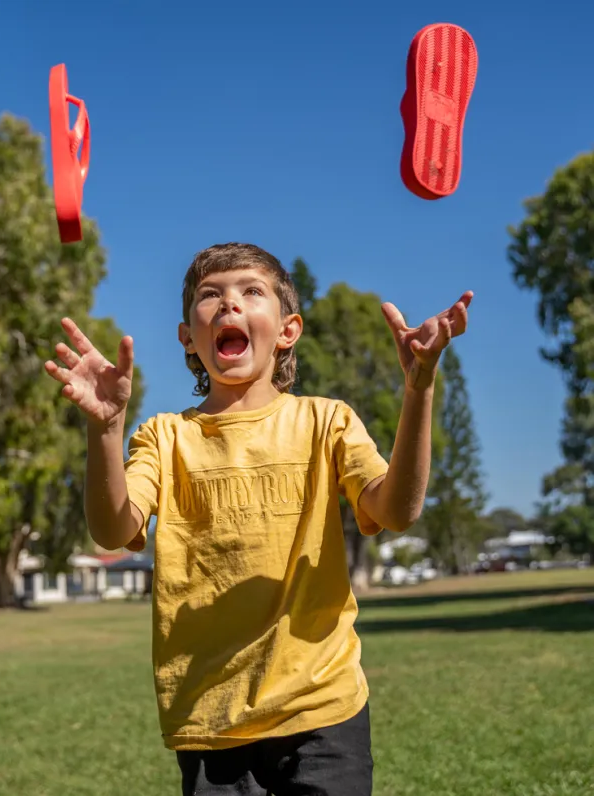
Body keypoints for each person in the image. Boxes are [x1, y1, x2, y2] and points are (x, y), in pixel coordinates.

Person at [44, 242, 473, 795]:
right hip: (209, 719)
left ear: (288, 329)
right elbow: (112, 529)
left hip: (322, 706)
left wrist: (420, 386)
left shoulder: (327, 421)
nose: (229, 305)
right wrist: (105, 429)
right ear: (186, 337)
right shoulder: (164, 437)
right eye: (210, 296)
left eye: (251, 291)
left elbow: (396, 509)